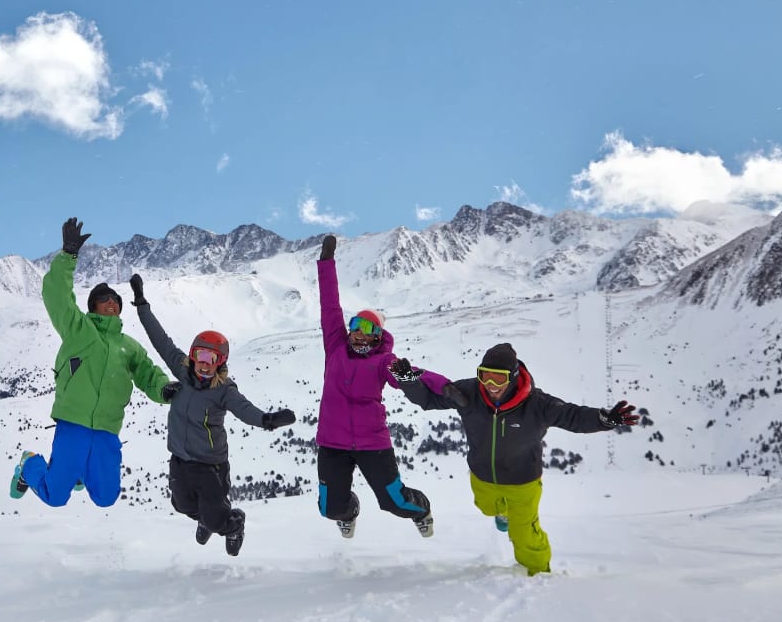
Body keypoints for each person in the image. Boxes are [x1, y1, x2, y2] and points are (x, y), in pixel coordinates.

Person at [390, 342, 640, 576]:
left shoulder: (538, 404)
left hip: (523, 482)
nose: (490, 383)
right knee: (485, 507)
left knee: (524, 533)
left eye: (498, 377)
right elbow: (429, 400)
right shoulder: (468, 392)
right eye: (484, 374)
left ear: (513, 375)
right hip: (482, 475)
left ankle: (538, 575)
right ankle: (502, 514)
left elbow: (572, 416)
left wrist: (604, 420)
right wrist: (409, 382)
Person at [9, 217, 174, 508]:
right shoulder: (79, 330)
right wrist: (68, 256)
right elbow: (56, 296)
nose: (111, 302)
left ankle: (80, 472)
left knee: (106, 497)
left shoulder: (128, 347)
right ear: (93, 307)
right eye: (104, 299)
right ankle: (29, 464)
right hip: (73, 423)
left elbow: (149, 374)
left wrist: (164, 390)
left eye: (115, 299)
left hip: (107, 429)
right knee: (55, 496)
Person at [128, 274, 296, 557]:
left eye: (212, 359)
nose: (204, 365)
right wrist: (142, 303)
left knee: (219, 518)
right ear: (192, 356)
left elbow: (245, 410)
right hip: (180, 460)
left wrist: (267, 420)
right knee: (182, 506)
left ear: (221, 363)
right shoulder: (182, 370)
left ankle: (234, 525)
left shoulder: (223, 390)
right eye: (200, 356)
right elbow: (160, 340)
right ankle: (206, 519)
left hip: (210, 466)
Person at [314, 235, 434, 540]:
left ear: (379, 337)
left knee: (395, 502)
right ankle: (350, 512)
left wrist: (417, 381)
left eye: (370, 330)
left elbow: (404, 376)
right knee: (329, 508)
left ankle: (422, 510)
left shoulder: (383, 361)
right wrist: (326, 263)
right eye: (356, 327)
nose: (360, 335)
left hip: (373, 444)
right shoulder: (336, 347)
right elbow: (330, 305)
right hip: (333, 443)